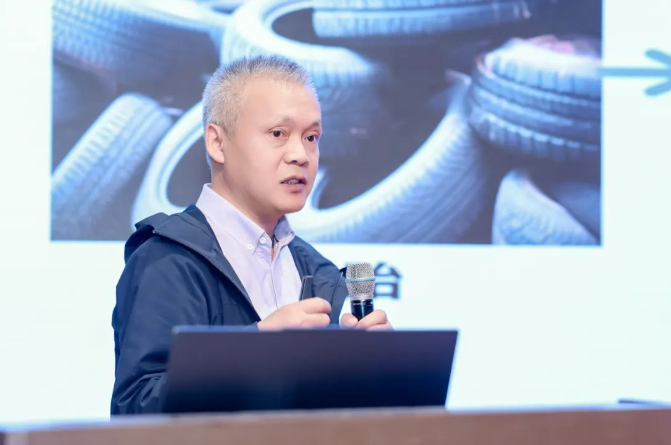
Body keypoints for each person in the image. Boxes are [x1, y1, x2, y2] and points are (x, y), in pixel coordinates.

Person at [111, 55, 392, 415]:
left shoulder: (321, 273)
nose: (301, 155)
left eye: (311, 137)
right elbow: (136, 410)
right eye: (278, 134)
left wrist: (384, 376)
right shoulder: (168, 260)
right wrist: (255, 350)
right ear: (217, 143)